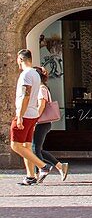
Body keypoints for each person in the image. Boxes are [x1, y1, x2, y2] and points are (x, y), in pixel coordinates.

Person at [10, 50, 48, 186]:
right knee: (26, 145)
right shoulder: (35, 74)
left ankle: (43, 167)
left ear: (20, 59)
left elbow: (26, 95)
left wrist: (19, 116)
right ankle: (30, 176)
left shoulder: (26, 74)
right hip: (32, 114)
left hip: (25, 114)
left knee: (15, 145)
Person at [33, 66, 68, 181]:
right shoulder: (41, 88)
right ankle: (59, 166)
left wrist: (34, 120)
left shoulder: (41, 88)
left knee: (34, 149)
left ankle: (40, 171)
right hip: (43, 123)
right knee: (36, 149)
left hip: (41, 122)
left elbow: (42, 105)